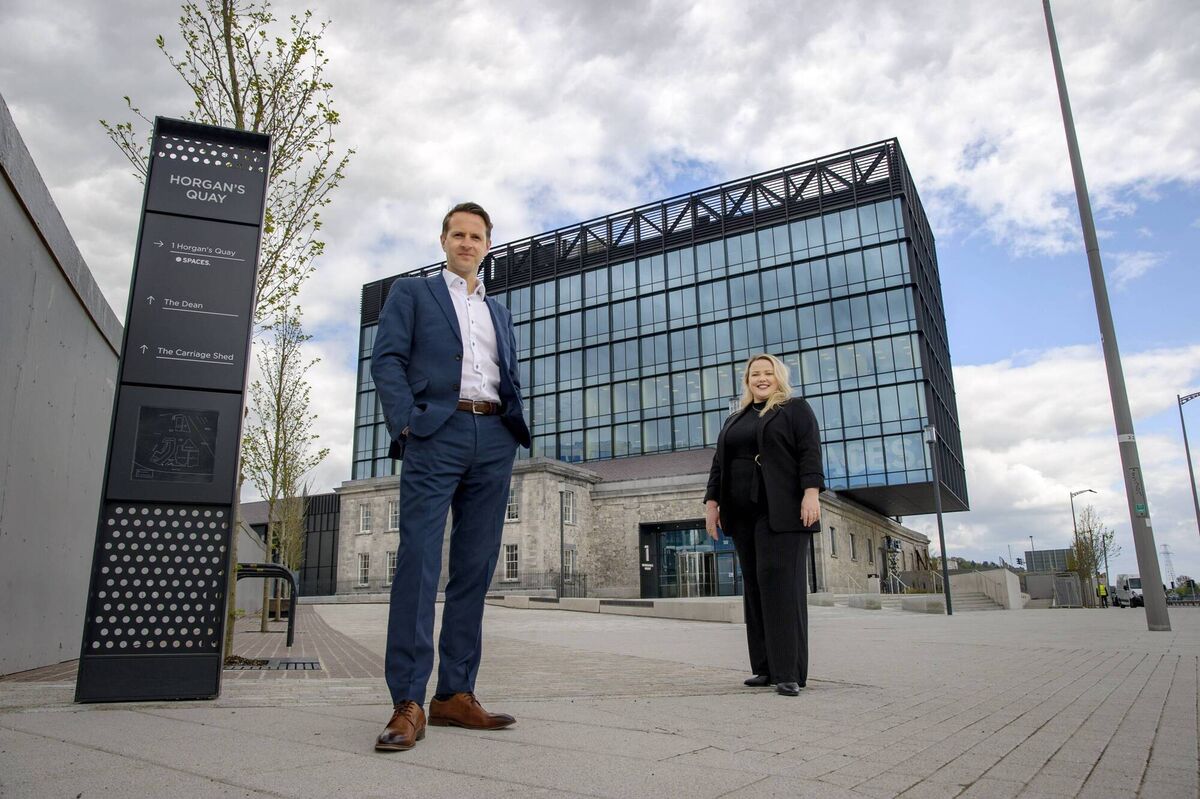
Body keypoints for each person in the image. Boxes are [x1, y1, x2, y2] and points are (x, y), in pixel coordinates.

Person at [370, 202, 531, 751]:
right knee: (418, 560)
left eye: (476, 236)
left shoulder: (498, 311)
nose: (467, 243)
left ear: (487, 245)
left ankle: (454, 695)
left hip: (494, 436)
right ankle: (408, 701)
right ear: (443, 240)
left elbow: (506, 373)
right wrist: (407, 424)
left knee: (476, 566)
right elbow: (387, 361)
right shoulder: (413, 294)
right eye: (458, 234)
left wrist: (511, 425)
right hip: (436, 432)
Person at [705, 353, 824, 697]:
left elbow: (809, 451)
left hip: (782, 511)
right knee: (756, 588)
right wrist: (712, 504)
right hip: (742, 513)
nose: (761, 378)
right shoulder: (735, 418)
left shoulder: (794, 409)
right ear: (747, 380)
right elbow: (719, 464)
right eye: (755, 374)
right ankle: (765, 668)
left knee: (782, 588)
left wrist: (811, 493)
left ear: (778, 377)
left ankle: (789, 672)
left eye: (767, 373)